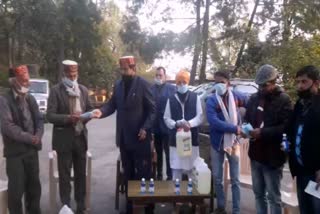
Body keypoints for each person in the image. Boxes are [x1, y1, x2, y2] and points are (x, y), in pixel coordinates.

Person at [92, 56, 155, 214]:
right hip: (124, 139)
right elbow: (112, 105)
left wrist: (145, 128)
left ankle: (146, 207)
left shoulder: (143, 85)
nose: (123, 72)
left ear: (134, 69)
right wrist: (101, 111)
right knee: (128, 174)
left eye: (126, 69)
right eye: (121, 69)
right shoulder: (119, 85)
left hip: (140, 139)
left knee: (143, 175)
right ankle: (129, 206)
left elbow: (153, 111)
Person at [244, 64, 292, 214]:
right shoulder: (253, 98)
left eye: (264, 85)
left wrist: (263, 133)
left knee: (273, 197)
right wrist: (245, 129)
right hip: (255, 156)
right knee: (258, 195)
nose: (261, 88)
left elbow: (287, 127)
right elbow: (247, 119)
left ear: (274, 81)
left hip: (272, 158)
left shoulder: (284, 100)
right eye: (259, 85)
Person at [47, 60, 93, 214]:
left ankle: (81, 207)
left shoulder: (83, 90)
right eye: (70, 74)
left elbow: (91, 110)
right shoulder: (55, 91)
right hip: (63, 140)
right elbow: (50, 115)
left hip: (80, 139)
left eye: (75, 74)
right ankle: (65, 207)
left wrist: (85, 116)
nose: (73, 77)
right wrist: (68, 118)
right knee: (65, 177)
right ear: (64, 74)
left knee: (81, 175)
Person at [0, 65, 44, 214]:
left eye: (28, 80)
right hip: (15, 154)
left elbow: (39, 120)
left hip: (32, 151)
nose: (28, 84)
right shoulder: (4, 100)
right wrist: (30, 138)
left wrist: (38, 135)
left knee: (34, 190)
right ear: (13, 82)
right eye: (23, 81)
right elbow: (8, 127)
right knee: (16, 192)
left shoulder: (30, 98)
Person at [206, 71, 247, 214]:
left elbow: (250, 104)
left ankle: (236, 210)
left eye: (222, 82)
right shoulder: (211, 100)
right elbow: (214, 122)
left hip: (234, 143)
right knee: (217, 178)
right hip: (217, 143)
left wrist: (246, 124)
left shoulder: (236, 97)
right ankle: (221, 207)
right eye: (216, 82)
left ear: (228, 83)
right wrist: (235, 128)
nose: (219, 85)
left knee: (235, 180)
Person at [286, 65, 320, 214]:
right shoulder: (300, 105)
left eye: (304, 82)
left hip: (316, 173)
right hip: (301, 171)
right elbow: (289, 129)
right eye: (298, 82)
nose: (300, 86)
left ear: (316, 83)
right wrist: (286, 142)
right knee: (305, 209)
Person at [163, 69, 203, 180]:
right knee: (176, 170)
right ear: (176, 84)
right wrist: (176, 124)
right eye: (179, 82)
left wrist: (189, 124)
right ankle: (177, 196)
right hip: (175, 141)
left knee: (192, 169)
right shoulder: (171, 99)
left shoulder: (196, 97)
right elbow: (166, 118)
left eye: (184, 82)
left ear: (188, 82)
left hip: (191, 140)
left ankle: (192, 197)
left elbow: (200, 116)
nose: (182, 85)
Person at [151, 66, 176, 180]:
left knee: (168, 152)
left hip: (167, 126)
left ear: (165, 76)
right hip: (155, 127)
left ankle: (170, 175)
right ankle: (159, 174)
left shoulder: (171, 88)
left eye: (160, 75)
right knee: (158, 152)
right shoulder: (151, 89)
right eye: (156, 75)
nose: (158, 77)